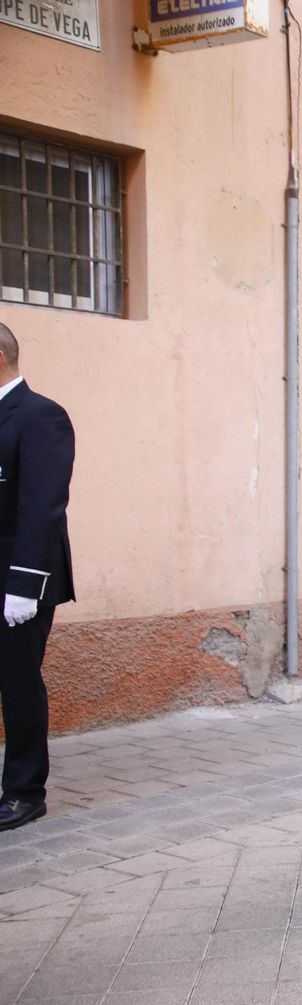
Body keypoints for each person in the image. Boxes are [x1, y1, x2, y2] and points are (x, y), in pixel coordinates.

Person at [0, 322, 76, 833]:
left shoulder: (40, 415)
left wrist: (24, 585)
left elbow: (43, 507)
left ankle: (25, 792)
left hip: (18, 582)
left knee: (18, 684)